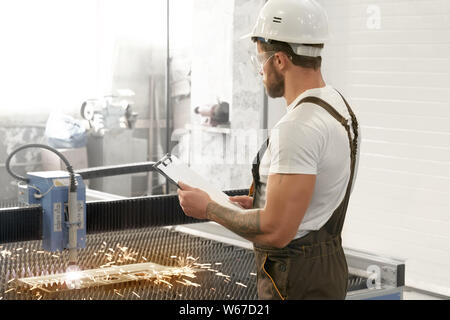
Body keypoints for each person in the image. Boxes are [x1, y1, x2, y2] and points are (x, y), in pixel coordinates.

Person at [177, 0, 361, 300]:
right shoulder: (338, 108)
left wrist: (209, 208)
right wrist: (263, 202)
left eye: (259, 59)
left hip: (296, 279)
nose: (258, 70)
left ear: (279, 60)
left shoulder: (298, 127)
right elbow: (314, 202)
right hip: (326, 269)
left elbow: (277, 231)